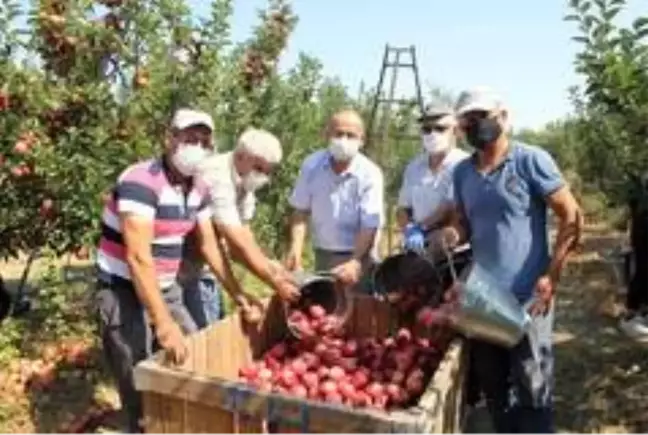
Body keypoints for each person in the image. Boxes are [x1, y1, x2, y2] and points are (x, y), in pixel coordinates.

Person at [94, 109, 296, 434]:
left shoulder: (197, 187)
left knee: (195, 361)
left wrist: (238, 293)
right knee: (138, 384)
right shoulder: (140, 180)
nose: (196, 145)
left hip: (166, 287)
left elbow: (209, 247)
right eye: (189, 137)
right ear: (169, 137)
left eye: (204, 141)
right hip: (123, 291)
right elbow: (138, 258)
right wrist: (163, 323)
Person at [435, 87, 582, 435]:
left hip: (528, 296)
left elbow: (573, 217)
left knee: (533, 386)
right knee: (493, 385)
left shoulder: (530, 160)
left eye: (480, 117)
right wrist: (453, 233)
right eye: (466, 120)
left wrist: (552, 277)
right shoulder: (462, 173)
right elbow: (464, 223)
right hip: (483, 298)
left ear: (503, 117)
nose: (474, 126)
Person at [179, 128, 300, 328]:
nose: (263, 177)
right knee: (193, 330)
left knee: (209, 321)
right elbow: (234, 238)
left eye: (267, 171)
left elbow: (244, 235)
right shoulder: (217, 175)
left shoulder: (244, 182)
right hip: (180, 262)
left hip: (205, 264)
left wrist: (269, 265)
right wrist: (274, 282)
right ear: (241, 156)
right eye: (259, 169)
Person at [285, 109, 384, 290]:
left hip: (360, 254)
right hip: (323, 253)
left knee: (358, 307)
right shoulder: (311, 165)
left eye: (351, 135)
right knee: (328, 305)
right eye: (338, 134)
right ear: (327, 135)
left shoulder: (370, 174)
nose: (344, 140)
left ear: (362, 140)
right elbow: (300, 211)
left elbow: (369, 224)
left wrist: (355, 261)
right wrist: (296, 249)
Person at [396, 104, 469, 252]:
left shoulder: (464, 165)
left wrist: (421, 227)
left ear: (455, 131)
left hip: (453, 251)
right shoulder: (414, 167)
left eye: (440, 129)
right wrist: (409, 228)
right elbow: (403, 208)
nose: (432, 134)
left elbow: (450, 208)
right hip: (417, 250)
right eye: (427, 129)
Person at [619, 172, 648, 340]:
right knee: (642, 271)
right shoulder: (640, 189)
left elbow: (631, 211)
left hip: (639, 234)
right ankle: (636, 309)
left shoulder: (638, 188)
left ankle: (635, 308)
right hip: (642, 233)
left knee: (641, 270)